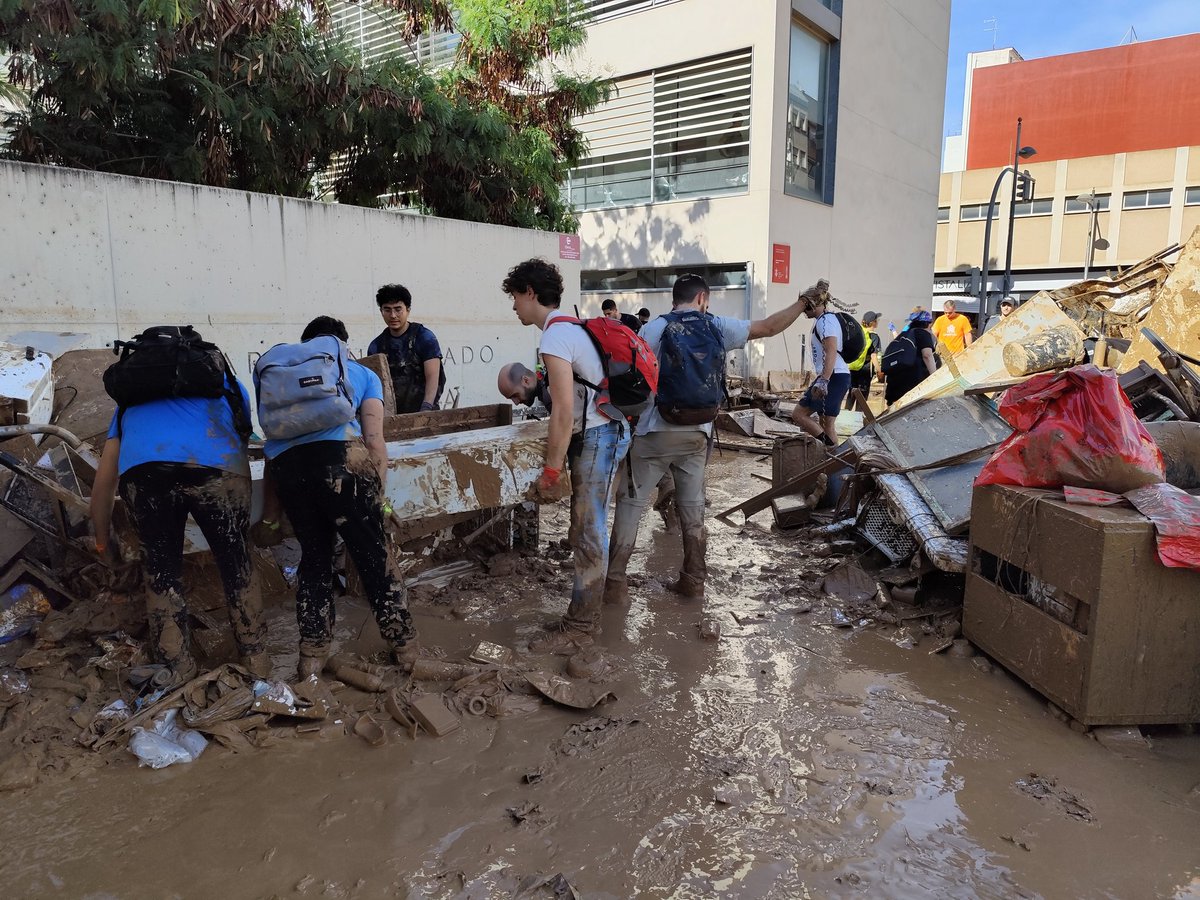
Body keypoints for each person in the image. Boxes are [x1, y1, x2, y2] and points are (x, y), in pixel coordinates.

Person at [604, 274, 826, 604]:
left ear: (674, 299)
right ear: (702, 299)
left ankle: (615, 586)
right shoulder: (718, 326)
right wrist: (804, 302)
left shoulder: (654, 329)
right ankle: (693, 581)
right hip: (698, 433)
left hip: (654, 432)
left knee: (630, 504)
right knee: (693, 507)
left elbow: (624, 373)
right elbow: (768, 327)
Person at [90, 341, 267, 684]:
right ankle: (256, 660)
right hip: (217, 472)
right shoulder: (227, 383)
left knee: (160, 569)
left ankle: (176, 667)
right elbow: (245, 439)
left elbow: (104, 480)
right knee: (236, 561)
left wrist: (102, 542)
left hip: (145, 475)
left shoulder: (131, 400)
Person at [262, 316, 415, 678]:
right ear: (342, 346)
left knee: (314, 559)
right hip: (341, 464)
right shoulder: (360, 373)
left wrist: (270, 517)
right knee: (372, 555)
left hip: (289, 470)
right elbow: (374, 441)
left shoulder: (282, 381)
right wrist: (380, 499)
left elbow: (271, 453)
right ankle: (405, 649)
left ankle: (311, 658)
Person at [499, 259, 632, 652]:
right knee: (586, 527)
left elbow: (562, 412)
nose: (514, 306)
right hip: (607, 431)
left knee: (589, 530)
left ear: (530, 293)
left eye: (515, 297)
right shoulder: (571, 327)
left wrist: (551, 471)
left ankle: (580, 627)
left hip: (599, 436)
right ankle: (585, 614)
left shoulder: (555, 336)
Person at [367, 284, 445, 414]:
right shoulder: (376, 346)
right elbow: (375, 387)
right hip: (392, 416)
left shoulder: (424, 337)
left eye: (398, 309)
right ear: (381, 311)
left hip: (425, 413)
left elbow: (433, 377)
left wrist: (426, 408)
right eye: (387, 310)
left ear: (408, 309)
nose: (393, 315)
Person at [790, 288, 852, 447]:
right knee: (827, 424)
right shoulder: (825, 320)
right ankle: (832, 454)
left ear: (813, 304)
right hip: (836, 375)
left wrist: (824, 380)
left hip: (833, 376)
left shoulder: (826, 321)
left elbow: (831, 350)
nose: (803, 311)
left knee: (799, 414)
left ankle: (830, 448)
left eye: (805, 306)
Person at [883, 310, 939, 406]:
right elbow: (927, 355)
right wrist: (935, 377)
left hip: (894, 385)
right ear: (927, 323)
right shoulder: (922, 333)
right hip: (912, 384)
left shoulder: (903, 335)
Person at [847, 310, 882, 410]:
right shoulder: (874, 337)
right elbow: (874, 356)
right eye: (876, 320)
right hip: (865, 370)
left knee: (851, 394)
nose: (877, 322)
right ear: (873, 323)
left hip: (853, 367)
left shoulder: (858, 333)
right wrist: (879, 371)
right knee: (862, 396)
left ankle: (845, 415)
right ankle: (858, 416)